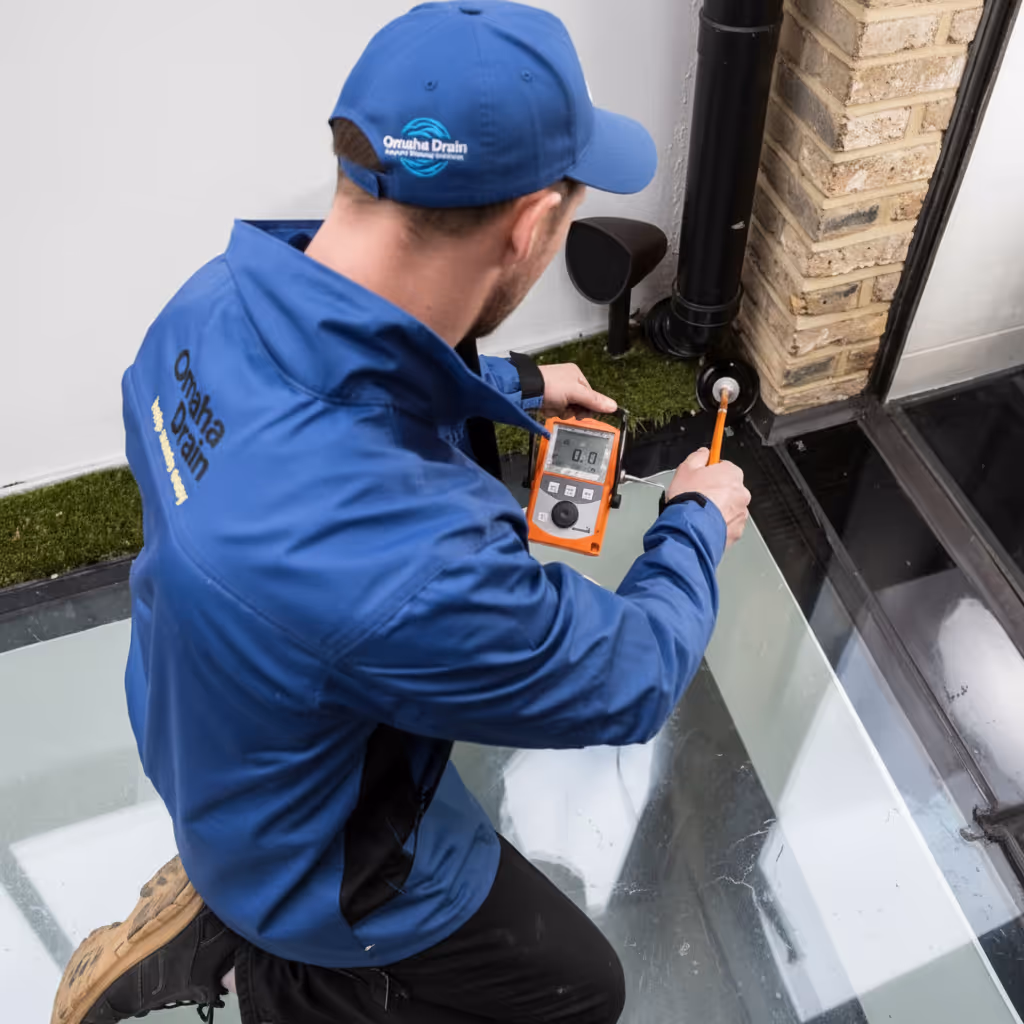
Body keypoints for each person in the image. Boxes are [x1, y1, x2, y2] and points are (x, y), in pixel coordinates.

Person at [51, 3, 751, 1024]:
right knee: (578, 993)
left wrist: (513, 382)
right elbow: (630, 675)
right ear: (530, 227)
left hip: (208, 728)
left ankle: (233, 894)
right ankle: (271, 965)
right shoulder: (411, 554)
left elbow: (345, 375)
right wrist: (694, 520)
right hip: (319, 860)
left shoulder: (208, 306)